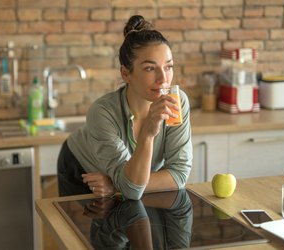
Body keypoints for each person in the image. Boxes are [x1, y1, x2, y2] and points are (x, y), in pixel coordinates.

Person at [57, 14, 192, 200]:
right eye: (150, 68)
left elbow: (179, 174)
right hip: (81, 167)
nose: (163, 79)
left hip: (126, 178)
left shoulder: (177, 102)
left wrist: (116, 185)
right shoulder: (102, 112)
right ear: (126, 74)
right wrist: (148, 132)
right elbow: (132, 189)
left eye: (168, 67)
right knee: (84, 228)